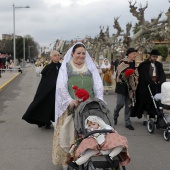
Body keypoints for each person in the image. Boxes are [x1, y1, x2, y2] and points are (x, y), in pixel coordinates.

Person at [52, 42, 104, 170]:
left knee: (87, 132)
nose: (81, 56)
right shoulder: (67, 67)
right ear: (72, 54)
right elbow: (61, 86)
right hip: (72, 107)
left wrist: (99, 99)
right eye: (78, 53)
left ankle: (84, 157)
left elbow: (98, 84)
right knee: (69, 133)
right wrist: (70, 100)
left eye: (83, 53)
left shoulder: (90, 67)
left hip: (89, 107)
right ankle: (67, 160)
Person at [22, 50, 61, 129]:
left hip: (58, 92)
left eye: (58, 55)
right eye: (55, 55)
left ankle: (55, 121)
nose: (57, 57)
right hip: (48, 92)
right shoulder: (48, 67)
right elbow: (44, 82)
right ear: (51, 57)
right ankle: (45, 121)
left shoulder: (62, 66)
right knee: (46, 105)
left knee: (56, 107)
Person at [131, 49, 166, 125]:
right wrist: (150, 82)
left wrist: (160, 81)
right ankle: (145, 119)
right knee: (145, 102)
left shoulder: (159, 65)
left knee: (155, 103)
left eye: (156, 57)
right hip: (146, 86)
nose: (155, 58)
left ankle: (152, 118)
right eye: (153, 56)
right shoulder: (144, 64)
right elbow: (143, 76)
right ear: (150, 56)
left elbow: (162, 74)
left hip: (156, 86)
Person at [114, 48, 139, 130]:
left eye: (135, 54)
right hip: (121, 86)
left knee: (128, 105)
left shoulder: (134, 63)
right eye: (133, 54)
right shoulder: (123, 62)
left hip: (130, 87)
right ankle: (115, 114)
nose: (135, 55)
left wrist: (134, 79)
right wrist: (126, 75)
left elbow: (136, 74)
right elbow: (120, 74)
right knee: (120, 104)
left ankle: (128, 123)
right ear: (129, 54)